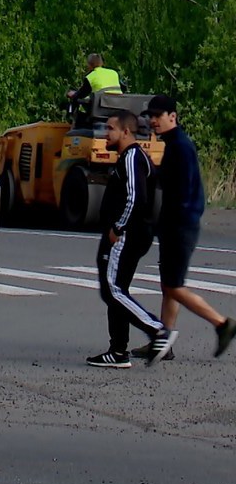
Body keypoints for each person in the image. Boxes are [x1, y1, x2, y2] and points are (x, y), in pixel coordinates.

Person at [130, 95, 236, 360]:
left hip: (180, 226)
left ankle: (222, 324)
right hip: (176, 225)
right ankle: (163, 342)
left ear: (172, 116)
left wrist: (168, 222)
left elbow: (185, 191)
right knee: (169, 285)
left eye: (158, 115)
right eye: (150, 116)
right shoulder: (174, 144)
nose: (153, 121)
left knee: (174, 287)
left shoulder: (181, 146)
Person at [88, 110, 177, 368]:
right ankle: (118, 351)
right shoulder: (130, 158)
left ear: (125, 132)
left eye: (110, 129)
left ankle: (158, 332)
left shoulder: (132, 156)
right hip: (130, 233)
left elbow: (136, 197)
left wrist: (118, 227)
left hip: (128, 234)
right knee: (116, 290)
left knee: (113, 289)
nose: (106, 134)